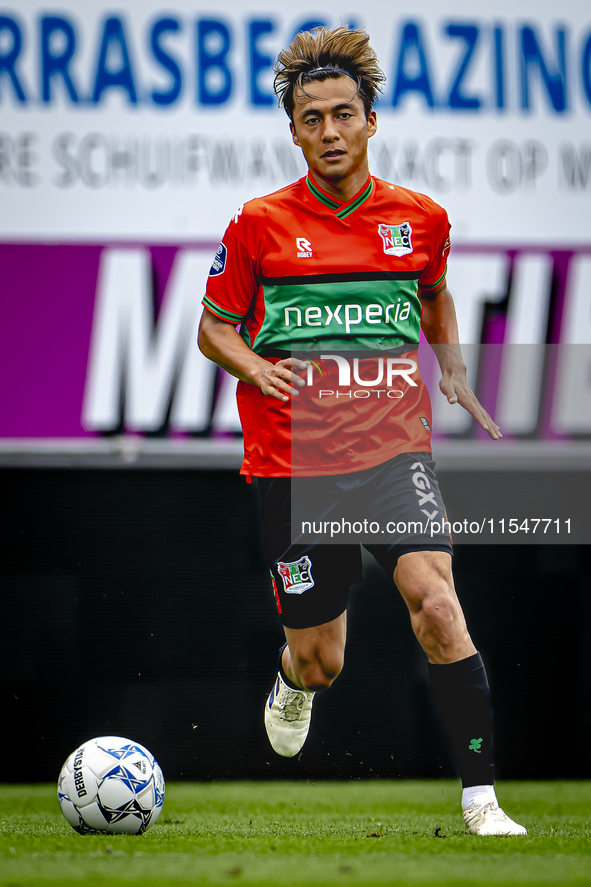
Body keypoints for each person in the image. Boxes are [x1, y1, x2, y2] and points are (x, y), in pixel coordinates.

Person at [198, 25, 526, 837]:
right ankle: (292, 679)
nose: (331, 131)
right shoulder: (258, 225)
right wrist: (253, 366)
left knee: (438, 606)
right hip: (292, 465)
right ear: (294, 131)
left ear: (371, 121)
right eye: (313, 118)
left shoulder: (418, 219)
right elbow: (213, 329)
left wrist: (447, 363)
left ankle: (481, 801)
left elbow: (435, 293)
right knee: (323, 659)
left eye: (345, 114)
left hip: (391, 455)